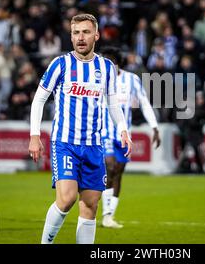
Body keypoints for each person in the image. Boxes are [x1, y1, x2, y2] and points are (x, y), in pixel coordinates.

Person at [28, 14, 132, 244]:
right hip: (65, 143)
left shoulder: (106, 67)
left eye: (85, 32)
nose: (80, 37)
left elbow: (113, 103)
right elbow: (38, 100)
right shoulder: (60, 64)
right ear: (71, 36)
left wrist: (123, 129)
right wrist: (34, 136)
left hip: (94, 147)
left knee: (90, 205)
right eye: (76, 33)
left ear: (96, 35)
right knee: (66, 199)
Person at [99, 46, 161, 228]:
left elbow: (144, 103)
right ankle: (103, 212)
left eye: (110, 61)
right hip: (105, 133)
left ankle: (109, 216)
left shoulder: (131, 80)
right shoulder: (98, 80)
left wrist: (155, 127)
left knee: (118, 172)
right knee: (109, 167)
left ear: (118, 63)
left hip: (124, 135)